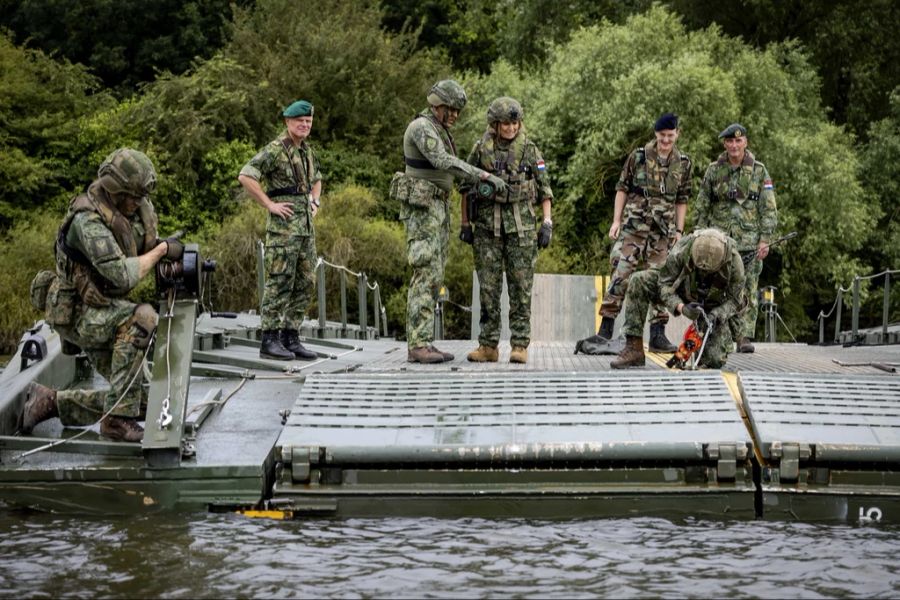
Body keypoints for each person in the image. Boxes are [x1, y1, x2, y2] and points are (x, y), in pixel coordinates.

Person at [18, 148, 177, 442]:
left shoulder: (133, 209)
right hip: (78, 312)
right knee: (143, 318)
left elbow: (138, 251)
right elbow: (121, 274)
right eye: (132, 196)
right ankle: (116, 422)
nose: (137, 203)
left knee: (145, 401)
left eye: (141, 196)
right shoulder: (86, 221)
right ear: (116, 190)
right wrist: (162, 251)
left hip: (105, 308)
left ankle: (49, 402)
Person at [391, 80, 507, 364]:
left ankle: (424, 341)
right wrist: (482, 175)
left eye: (458, 111)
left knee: (435, 274)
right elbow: (442, 161)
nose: (455, 115)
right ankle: (417, 344)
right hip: (423, 210)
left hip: (437, 207)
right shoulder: (421, 127)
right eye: (451, 109)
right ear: (436, 105)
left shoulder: (438, 129)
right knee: (425, 270)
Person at [460, 97, 553, 364]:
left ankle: (520, 345)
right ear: (495, 124)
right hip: (487, 229)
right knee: (488, 289)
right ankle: (488, 345)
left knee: (521, 289)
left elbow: (545, 189)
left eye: (514, 123)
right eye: (505, 123)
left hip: (521, 228)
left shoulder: (530, 150)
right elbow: (466, 187)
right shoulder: (481, 149)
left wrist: (547, 223)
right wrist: (465, 223)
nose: (511, 128)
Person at [598, 113, 692, 353]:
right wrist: (616, 220)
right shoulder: (638, 157)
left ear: (677, 134)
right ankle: (605, 331)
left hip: (662, 233)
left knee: (661, 281)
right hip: (633, 227)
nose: (666, 141)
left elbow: (682, 199)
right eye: (662, 136)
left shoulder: (683, 163)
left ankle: (658, 335)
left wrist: (679, 230)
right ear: (655, 134)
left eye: (670, 136)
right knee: (620, 275)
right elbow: (622, 188)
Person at [238, 100, 322, 361]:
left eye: (308, 122)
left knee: (306, 281)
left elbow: (317, 178)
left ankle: (291, 336)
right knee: (279, 281)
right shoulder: (275, 150)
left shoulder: (306, 150)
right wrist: (269, 204)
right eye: (300, 121)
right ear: (288, 121)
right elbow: (246, 175)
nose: (305, 125)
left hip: (305, 230)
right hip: (284, 230)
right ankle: (270, 338)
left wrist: (315, 201)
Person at [693, 123, 777, 354]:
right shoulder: (714, 170)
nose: (734, 145)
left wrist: (765, 239)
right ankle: (719, 335)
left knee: (747, 289)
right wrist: (697, 236)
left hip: (749, 242)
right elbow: (702, 205)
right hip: (718, 244)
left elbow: (768, 208)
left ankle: (743, 336)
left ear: (745, 142)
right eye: (730, 141)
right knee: (717, 289)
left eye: (738, 141)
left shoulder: (759, 171)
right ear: (724, 144)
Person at [610, 228, 745, 369]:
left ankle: (702, 343)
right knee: (639, 280)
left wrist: (716, 315)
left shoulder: (734, 264)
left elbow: (735, 301)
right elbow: (665, 284)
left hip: (713, 308)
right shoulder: (683, 249)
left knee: (714, 359)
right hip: (682, 290)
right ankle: (634, 348)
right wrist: (681, 307)